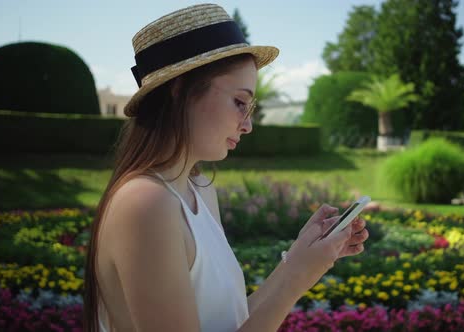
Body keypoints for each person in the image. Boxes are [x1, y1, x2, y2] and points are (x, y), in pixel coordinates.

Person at [83, 3, 369, 332]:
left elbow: (228, 321)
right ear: (179, 92)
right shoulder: (146, 202)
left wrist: (298, 261)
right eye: (239, 103)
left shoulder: (199, 190)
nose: (247, 125)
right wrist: (295, 279)